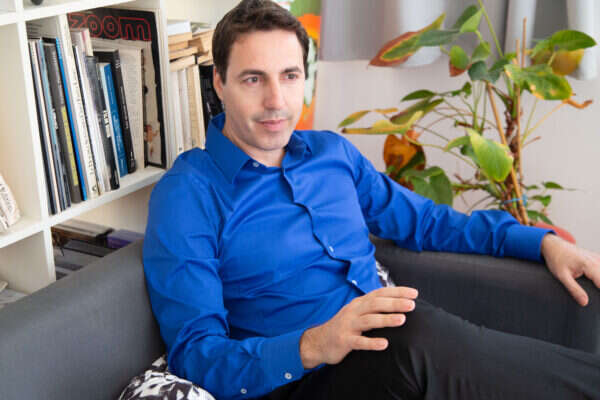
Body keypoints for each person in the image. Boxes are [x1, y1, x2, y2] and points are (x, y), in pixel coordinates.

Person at [143, 1, 600, 398]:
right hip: (302, 379)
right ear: (219, 83)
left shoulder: (330, 154)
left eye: (290, 76)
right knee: (416, 340)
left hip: (398, 348)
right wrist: (314, 344)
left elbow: (428, 223)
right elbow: (196, 354)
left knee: (436, 338)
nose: (276, 100)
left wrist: (542, 243)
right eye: (252, 79)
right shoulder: (188, 194)